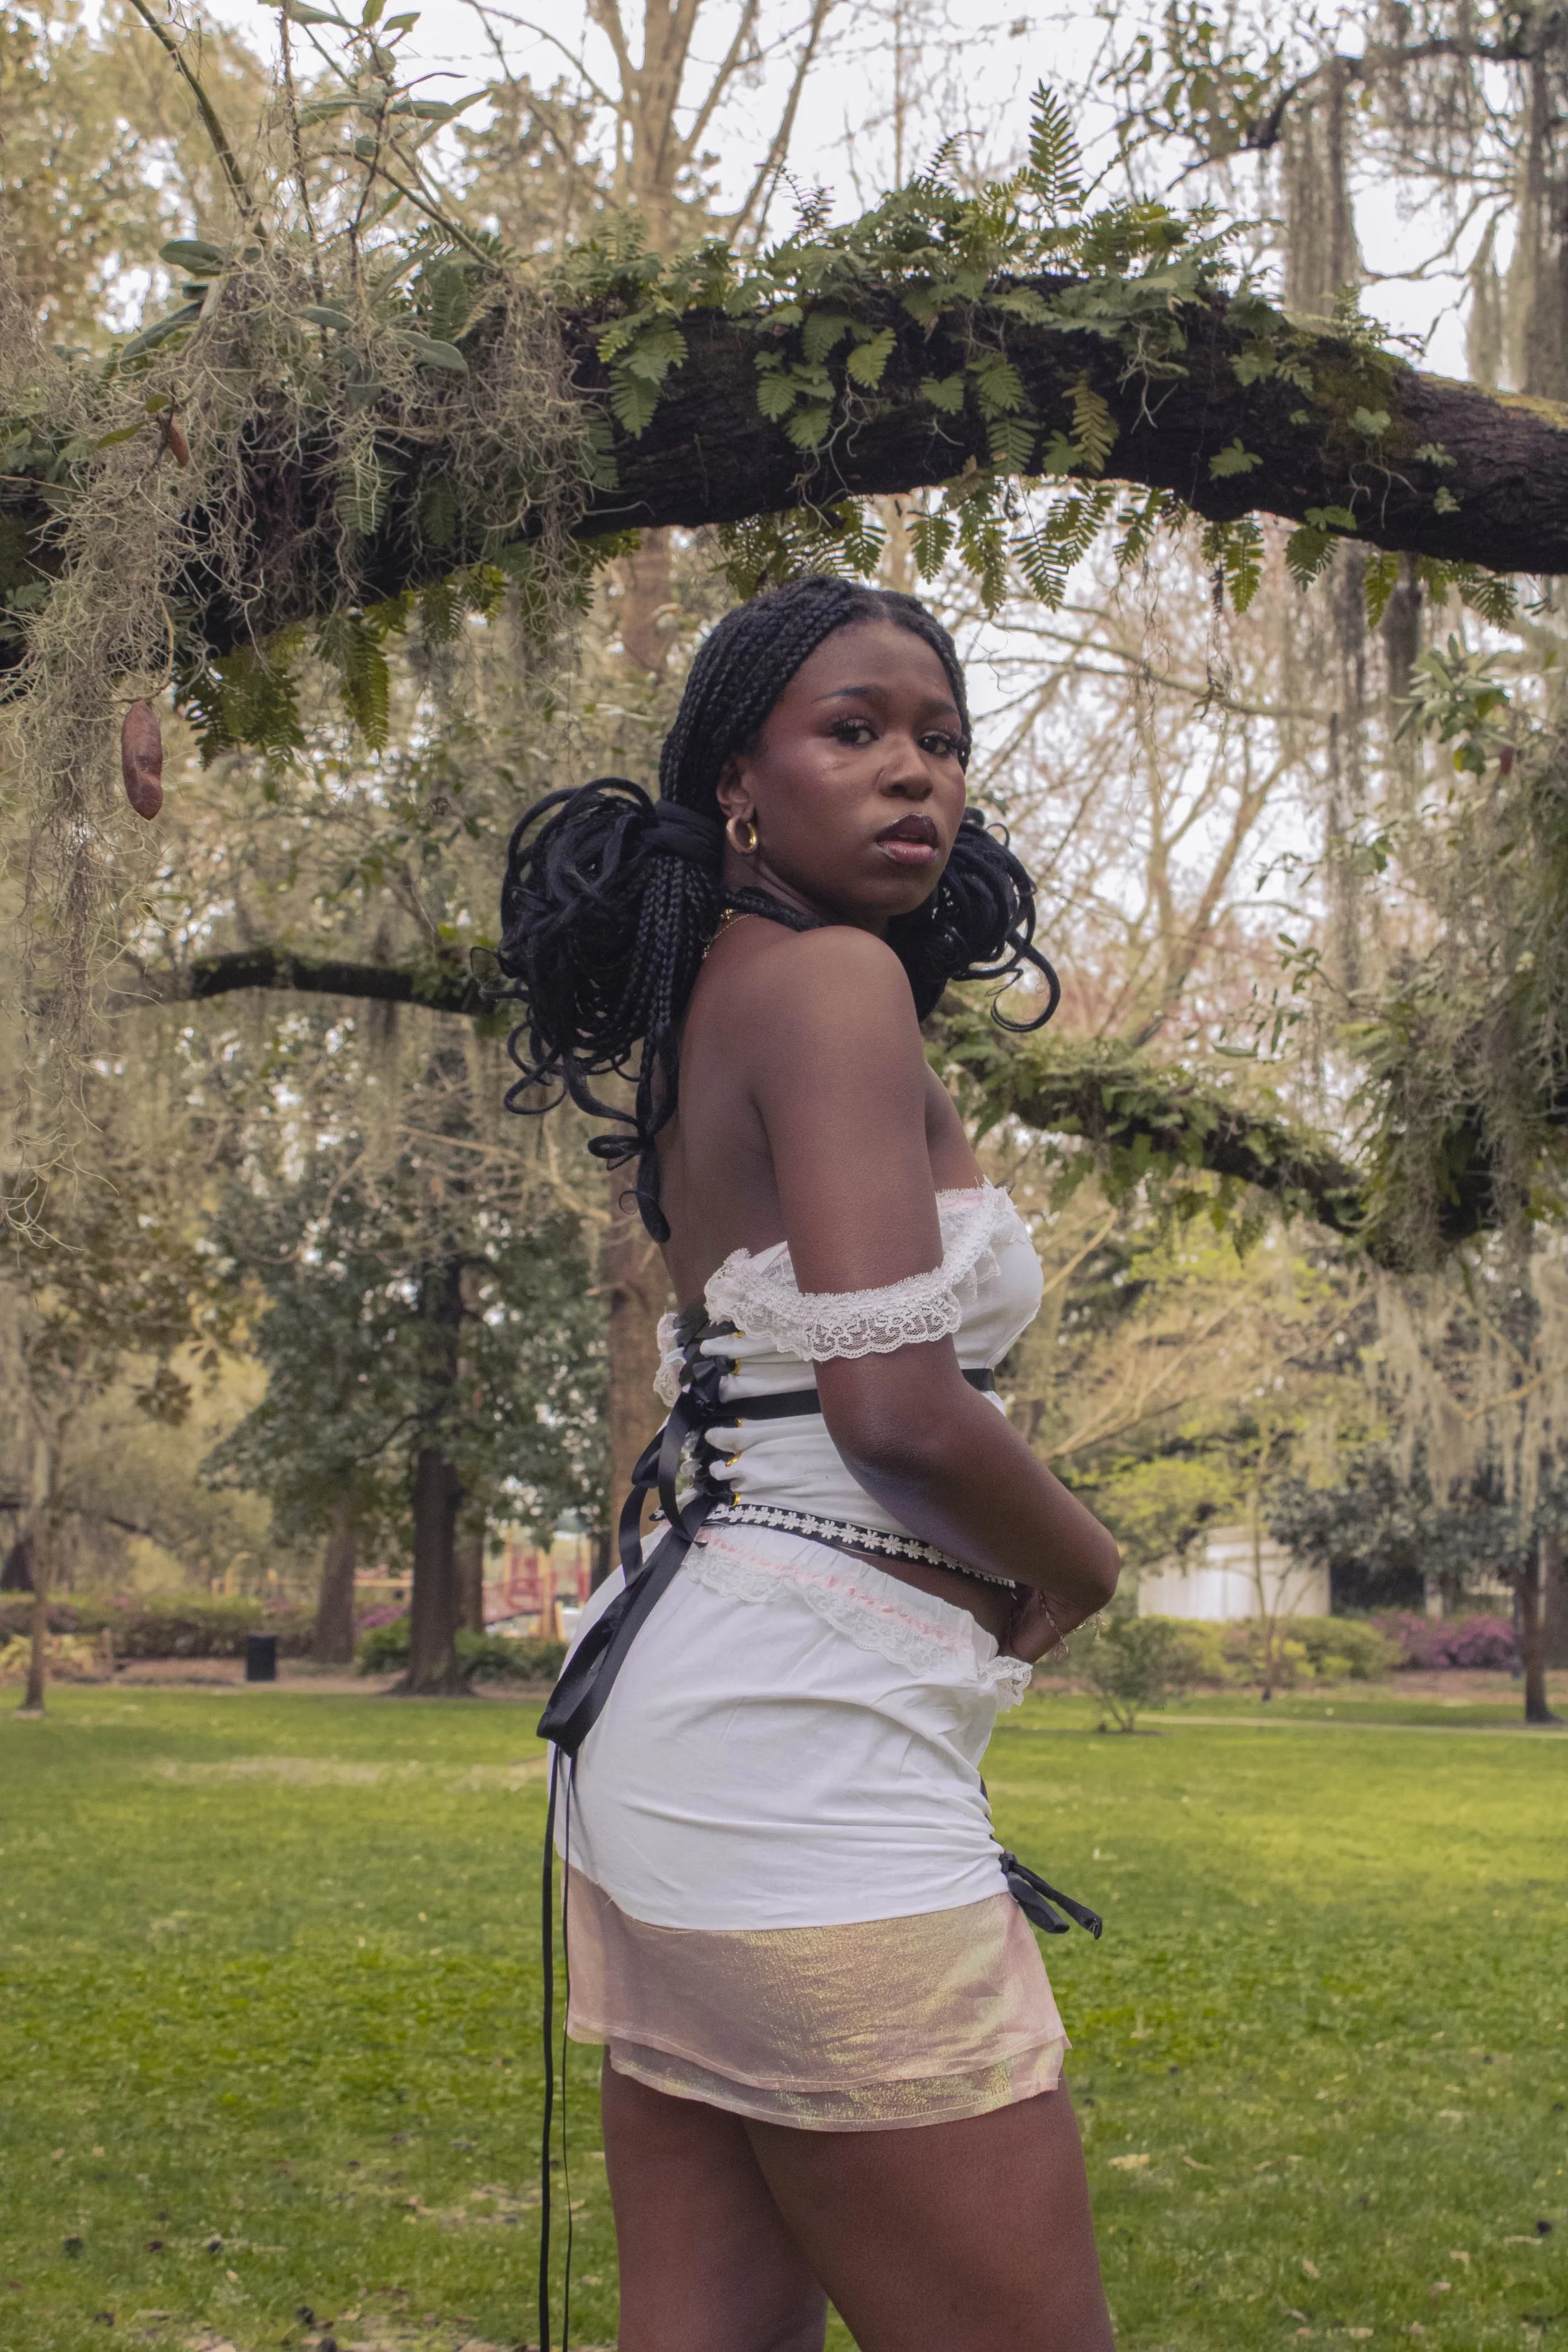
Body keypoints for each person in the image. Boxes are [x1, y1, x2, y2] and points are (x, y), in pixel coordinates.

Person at [498, 573, 1121, 2352]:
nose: (915, 772)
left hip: (702, 1712)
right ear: (737, 785)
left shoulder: (728, 997)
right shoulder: (835, 983)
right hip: (795, 1741)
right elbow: (894, 1408)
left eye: (942, 739)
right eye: (854, 731)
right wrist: (1079, 1564)